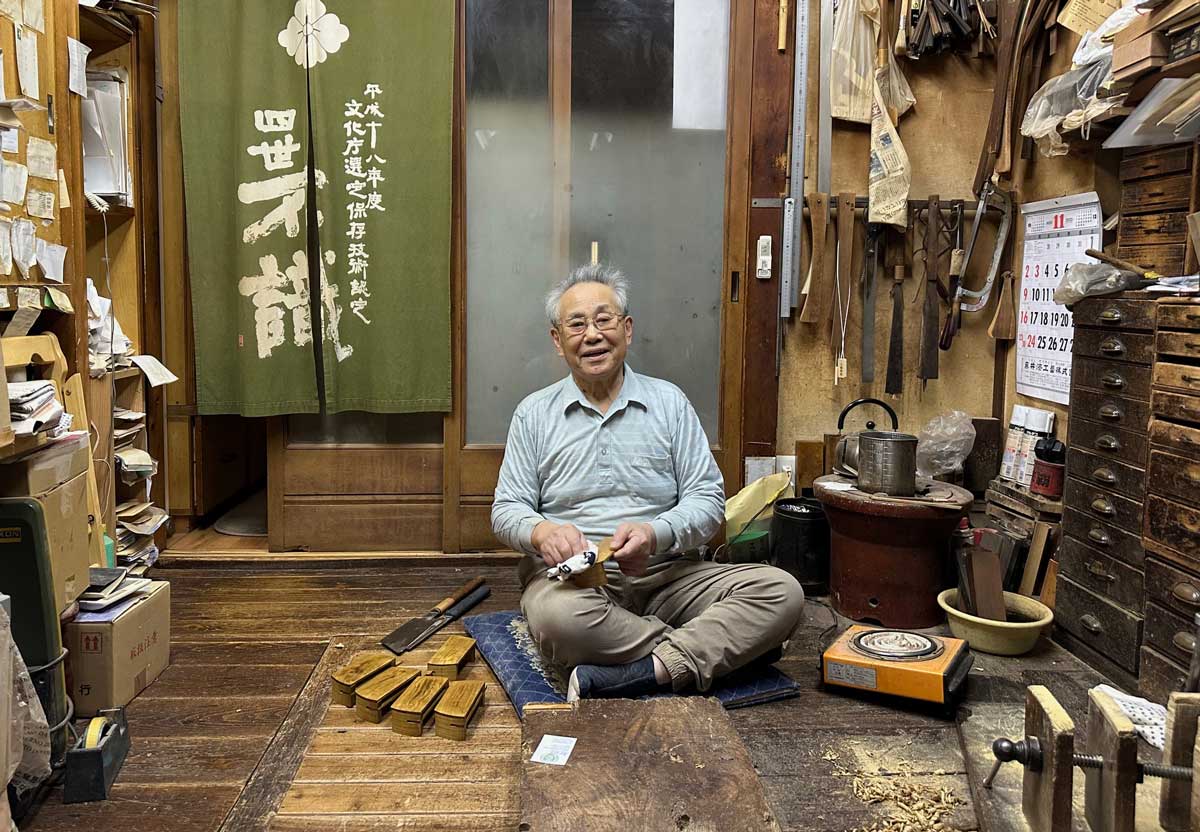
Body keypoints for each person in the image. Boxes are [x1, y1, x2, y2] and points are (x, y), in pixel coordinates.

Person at [491, 263, 805, 700]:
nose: (593, 335)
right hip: (577, 583)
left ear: (628, 329)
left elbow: (708, 501)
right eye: (576, 324)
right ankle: (700, 652)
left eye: (605, 320)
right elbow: (507, 509)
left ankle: (639, 668)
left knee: (781, 592)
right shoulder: (534, 413)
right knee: (558, 620)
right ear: (557, 341)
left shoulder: (669, 403)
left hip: (668, 574)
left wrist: (654, 534)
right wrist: (543, 531)